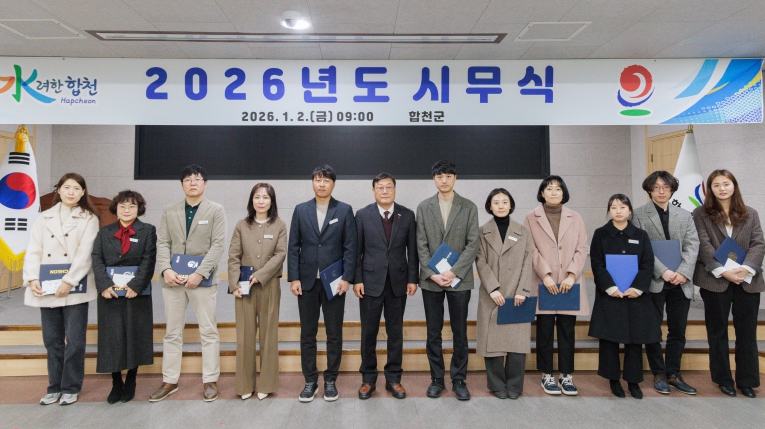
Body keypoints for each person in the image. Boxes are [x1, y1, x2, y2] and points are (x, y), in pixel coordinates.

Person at [150, 165, 227, 402]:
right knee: (172, 332)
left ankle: (210, 380)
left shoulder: (216, 210)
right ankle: (169, 380)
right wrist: (165, 269)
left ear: (205, 183)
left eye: (197, 179)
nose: (193, 183)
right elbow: (163, 242)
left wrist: (200, 273)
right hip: (173, 280)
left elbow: (218, 244)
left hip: (202, 280)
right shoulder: (170, 211)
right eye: (188, 179)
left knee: (208, 331)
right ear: (182, 184)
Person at [23, 173, 100, 406]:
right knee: (52, 341)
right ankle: (54, 387)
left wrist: (69, 280)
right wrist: (32, 278)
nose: (71, 192)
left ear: (83, 192)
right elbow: (34, 249)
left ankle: (71, 387)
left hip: (75, 286)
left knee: (75, 341)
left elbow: (86, 253)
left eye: (76, 188)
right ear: (58, 190)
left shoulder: (89, 218)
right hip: (47, 286)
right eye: (66, 187)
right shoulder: (43, 217)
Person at [693, 169, 765, 398]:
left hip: (747, 280)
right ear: (710, 189)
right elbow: (703, 245)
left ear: (734, 186)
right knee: (717, 332)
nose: (722, 188)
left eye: (726, 184)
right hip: (715, 280)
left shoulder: (750, 213)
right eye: (716, 185)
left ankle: (747, 381)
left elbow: (758, 244)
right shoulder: (700, 214)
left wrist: (745, 269)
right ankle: (723, 379)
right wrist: (724, 272)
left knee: (747, 333)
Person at [288, 165, 357, 402]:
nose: (322, 184)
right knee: (308, 334)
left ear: (333, 184)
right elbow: (293, 246)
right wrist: (294, 277)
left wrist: (347, 278)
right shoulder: (301, 210)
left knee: (334, 333)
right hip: (306, 281)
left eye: (326, 180)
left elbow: (350, 247)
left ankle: (330, 380)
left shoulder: (344, 210)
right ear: (312, 183)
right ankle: (310, 381)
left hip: (334, 282)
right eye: (318, 180)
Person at [416, 160, 480, 401]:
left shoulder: (468, 206)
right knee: (433, 332)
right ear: (434, 179)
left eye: (448, 176)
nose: (444, 180)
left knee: (459, 331)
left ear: (455, 178)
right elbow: (420, 243)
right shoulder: (424, 207)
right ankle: (436, 379)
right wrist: (431, 272)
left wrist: (454, 272)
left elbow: (473, 243)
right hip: (431, 279)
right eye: (439, 176)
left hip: (459, 279)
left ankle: (459, 379)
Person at [632, 171, 699, 395]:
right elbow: (642, 248)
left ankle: (673, 373)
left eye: (666, 187)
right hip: (655, 280)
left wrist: (683, 272)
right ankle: (658, 373)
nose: (661, 191)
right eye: (657, 187)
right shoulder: (639, 215)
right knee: (652, 330)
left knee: (677, 330)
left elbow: (692, 245)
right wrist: (664, 271)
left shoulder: (685, 215)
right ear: (649, 189)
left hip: (681, 281)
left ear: (672, 189)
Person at [589, 194, 661, 399]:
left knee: (634, 340)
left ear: (630, 210)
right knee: (609, 339)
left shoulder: (640, 235)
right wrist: (610, 287)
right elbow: (597, 264)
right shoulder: (600, 234)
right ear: (609, 211)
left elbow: (647, 264)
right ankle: (613, 380)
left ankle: (633, 381)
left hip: (634, 296)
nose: (618, 211)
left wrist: (637, 288)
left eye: (622, 207)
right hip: (610, 295)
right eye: (613, 207)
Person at [353, 173, 418, 400]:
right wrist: (357, 279)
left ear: (395, 190)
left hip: (398, 284)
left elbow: (413, 251)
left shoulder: (407, 215)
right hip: (369, 283)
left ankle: (394, 379)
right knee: (368, 333)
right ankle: (368, 379)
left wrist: (412, 279)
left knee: (395, 332)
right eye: (380, 187)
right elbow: (356, 251)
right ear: (373, 190)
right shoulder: (362, 215)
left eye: (389, 187)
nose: (384, 191)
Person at [523, 175, 589, 396]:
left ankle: (566, 375)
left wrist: (571, 275)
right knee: (544, 331)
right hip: (544, 282)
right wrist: (546, 275)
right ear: (542, 193)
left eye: (558, 189)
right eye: (549, 188)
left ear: (564, 193)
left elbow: (582, 248)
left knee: (567, 331)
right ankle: (547, 375)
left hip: (570, 283)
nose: (553, 192)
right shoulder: (531, 217)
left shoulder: (575, 217)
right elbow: (530, 249)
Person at [92, 190, 156, 404]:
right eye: (122, 206)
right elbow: (97, 259)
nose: (126, 210)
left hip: (136, 292)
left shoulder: (148, 230)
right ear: (116, 208)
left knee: (135, 334)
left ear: (139, 209)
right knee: (112, 337)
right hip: (110, 292)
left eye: (132, 206)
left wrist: (136, 285)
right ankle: (116, 381)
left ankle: (131, 379)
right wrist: (104, 285)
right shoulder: (104, 232)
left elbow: (149, 260)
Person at [227, 183, 287, 401]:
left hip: (269, 285)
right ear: (251, 200)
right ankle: (245, 384)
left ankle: (267, 384)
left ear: (272, 201)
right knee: (244, 336)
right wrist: (234, 284)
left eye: (265, 197)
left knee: (269, 335)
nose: (261, 201)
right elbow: (233, 256)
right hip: (244, 287)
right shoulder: (241, 225)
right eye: (257, 197)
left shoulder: (279, 225)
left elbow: (280, 254)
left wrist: (261, 275)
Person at [475, 188, 533, 400]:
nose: (500, 206)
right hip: (492, 295)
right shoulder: (482, 232)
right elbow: (480, 261)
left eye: (504, 202)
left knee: (517, 343)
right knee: (493, 344)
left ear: (511, 205)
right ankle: (496, 384)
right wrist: (492, 288)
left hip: (517, 296)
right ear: (490, 206)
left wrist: (523, 290)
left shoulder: (522, 231)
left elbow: (528, 261)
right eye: (496, 202)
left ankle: (515, 385)